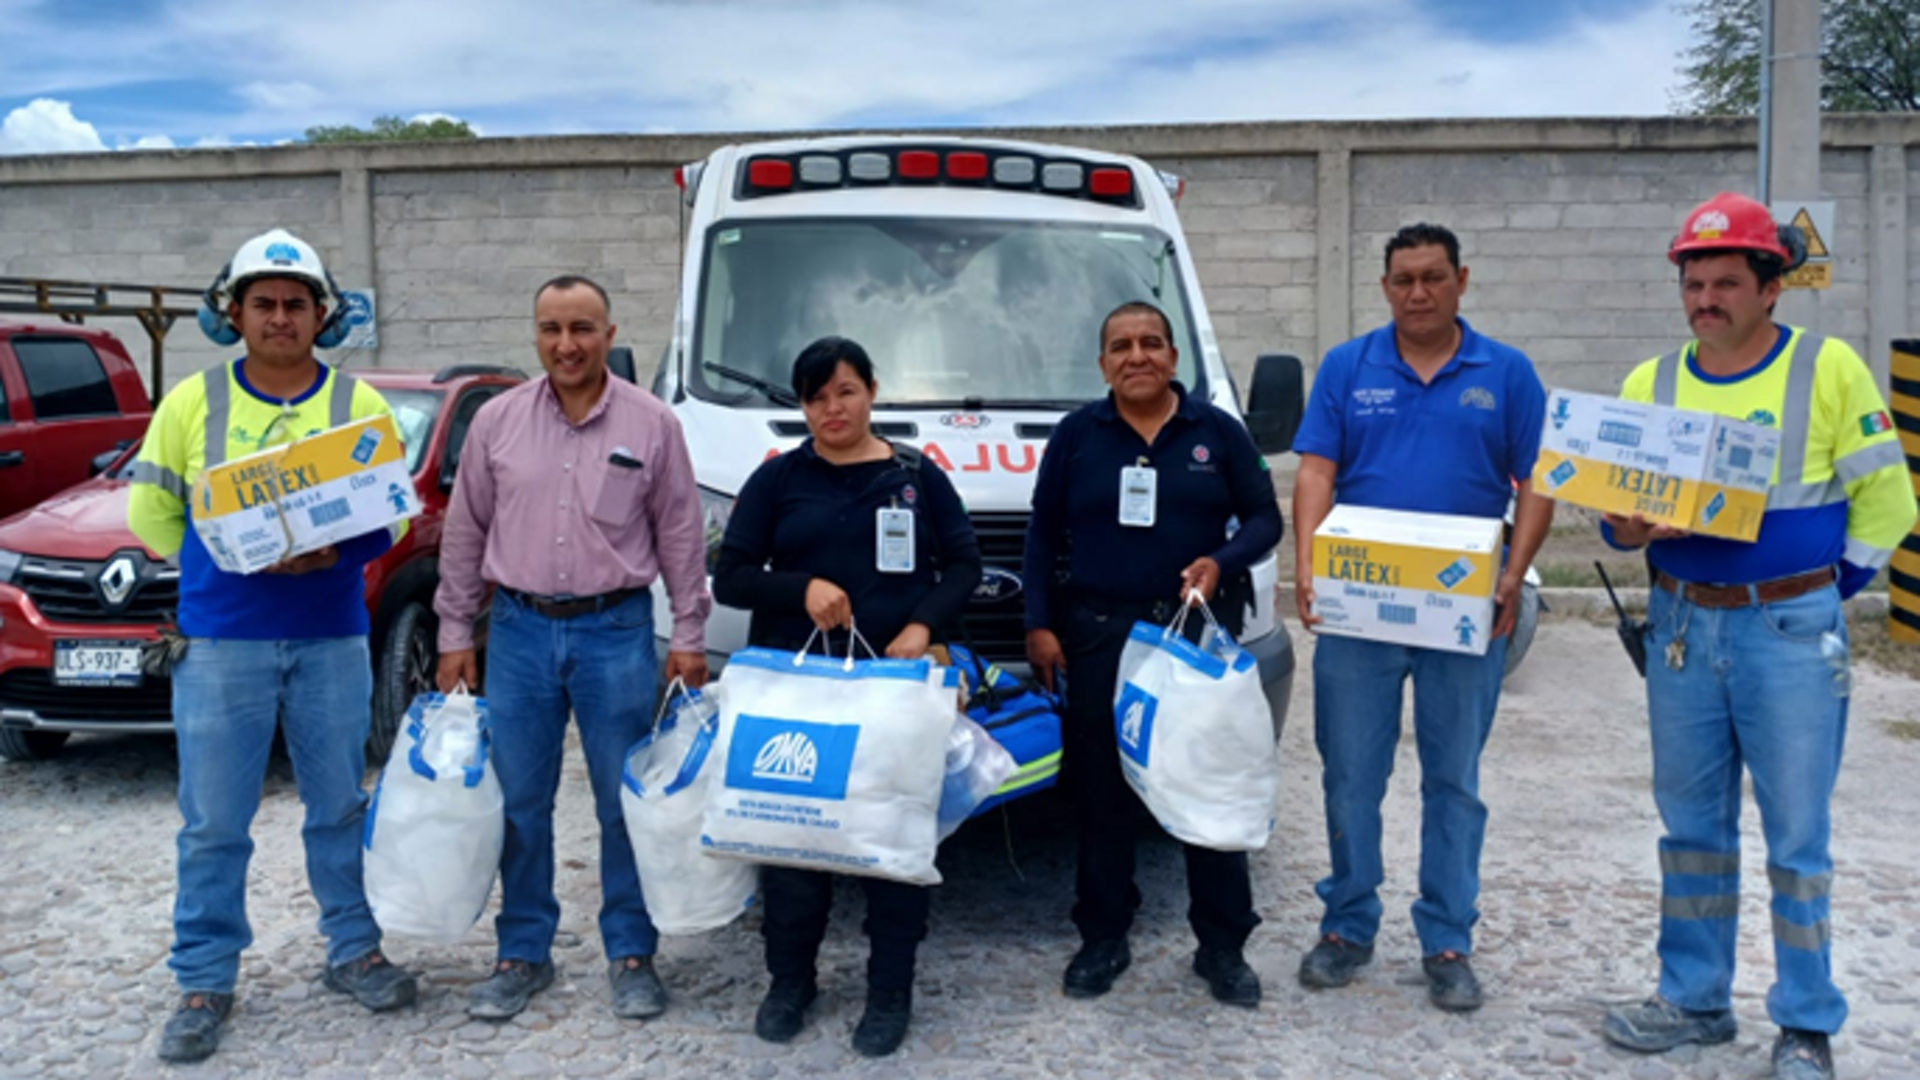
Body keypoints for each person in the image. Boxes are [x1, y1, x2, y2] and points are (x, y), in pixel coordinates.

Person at [1599, 193, 1916, 1080]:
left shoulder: (1827, 370)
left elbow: (1890, 501)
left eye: (1726, 281)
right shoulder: (1649, 386)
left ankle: (1805, 1022)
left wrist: (1818, 592)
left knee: (1796, 835)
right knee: (1691, 828)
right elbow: (1618, 525)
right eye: (1693, 282)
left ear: (1770, 286)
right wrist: (1627, 529)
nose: (1705, 298)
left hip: (1789, 631)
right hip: (1681, 628)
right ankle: (1695, 1000)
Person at [128, 228, 418, 1064]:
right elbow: (150, 515)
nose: (281, 317)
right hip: (222, 640)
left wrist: (339, 551)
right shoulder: (192, 403)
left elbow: (390, 514)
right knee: (214, 821)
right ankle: (204, 978)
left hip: (330, 636)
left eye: (297, 303)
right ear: (235, 312)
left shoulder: (356, 407)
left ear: (322, 315)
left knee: (337, 806)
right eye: (264, 303)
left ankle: (353, 950)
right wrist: (233, 550)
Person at [433, 274, 713, 1022]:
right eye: (552, 329)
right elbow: (464, 534)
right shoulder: (496, 422)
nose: (567, 344)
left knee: (626, 801)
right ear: (535, 335)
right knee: (521, 802)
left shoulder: (653, 425)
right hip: (519, 632)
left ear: (610, 336)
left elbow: (682, 536)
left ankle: (631, 951)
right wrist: (454, 632)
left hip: (615, 632)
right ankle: (523, 953)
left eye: (583, 328)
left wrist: (690, 632)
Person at [1289, 223, 1552, 1013]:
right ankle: (1347, 924)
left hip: (1462, 611)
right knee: (1349, 776)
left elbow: (1540, 479)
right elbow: (1316, 470)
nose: (1418, 292)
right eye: (1403, 279)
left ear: (1461, 280)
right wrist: (1306, 566)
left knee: (1454, 781)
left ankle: (1446, 938)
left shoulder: (1505, 373)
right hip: (1360, 608)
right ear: (1384, 287)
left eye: (1433, 277)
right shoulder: (1347, 366)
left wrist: (1513, 573)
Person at [713, 336, 981, 1057]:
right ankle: (790, 981)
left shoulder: (916, 477)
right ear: (801, 405)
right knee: (794, 838)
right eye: (816, 396)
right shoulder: (777, 481)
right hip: (798, 692)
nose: (832, 408)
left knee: (891, 839)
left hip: (893, 692)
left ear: (871, 391)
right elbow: (731, 575)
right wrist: (798, 587)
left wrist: (925, 624)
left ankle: (889, 991)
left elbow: (963, 564)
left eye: (845, 391)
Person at [1023, 300, 1283, 1008]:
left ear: (1173, 356)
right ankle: (1104, 936)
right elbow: (1043, 534)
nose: (1137, 356)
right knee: (1102, 792)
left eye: (1151, 343)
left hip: (1191, 639)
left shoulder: (1216, 433)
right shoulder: (1078, 436)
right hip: (1101, 635)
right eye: (1121, 346)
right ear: (1102, 363)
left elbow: (1266, 518)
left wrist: (1221, 561)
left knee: (1206, 785)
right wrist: (1038, 625)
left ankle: (1223, 947)